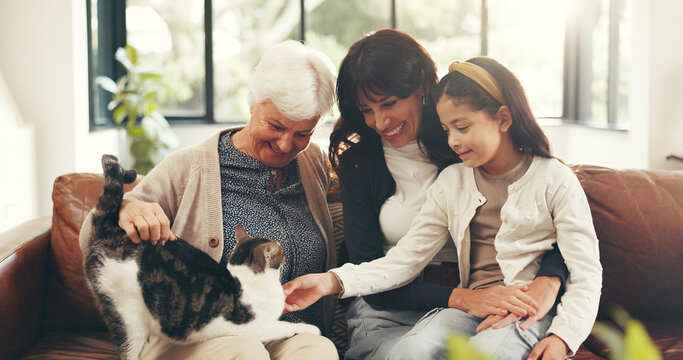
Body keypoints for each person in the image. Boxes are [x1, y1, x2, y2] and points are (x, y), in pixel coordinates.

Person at [284, 56, 603, 360]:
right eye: (447, 129)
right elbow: (404, 260)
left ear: (503, 119)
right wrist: (330, 281)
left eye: (462, 128)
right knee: (412, 350)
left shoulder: (555, 179)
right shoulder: (452, 180)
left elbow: (586, 272)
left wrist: (563, 337)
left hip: (526, 310)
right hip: (472, 305)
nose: (452, 141)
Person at [79, 40, 339, 360]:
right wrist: (127, 206)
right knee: (245, 353)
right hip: (199, 336)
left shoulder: (313, 163)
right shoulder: (188, 167)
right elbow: (90, 237)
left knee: (318, 351)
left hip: (287, 332)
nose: (286, 144)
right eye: (276, 125)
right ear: (253, 104)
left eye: (303, 133)